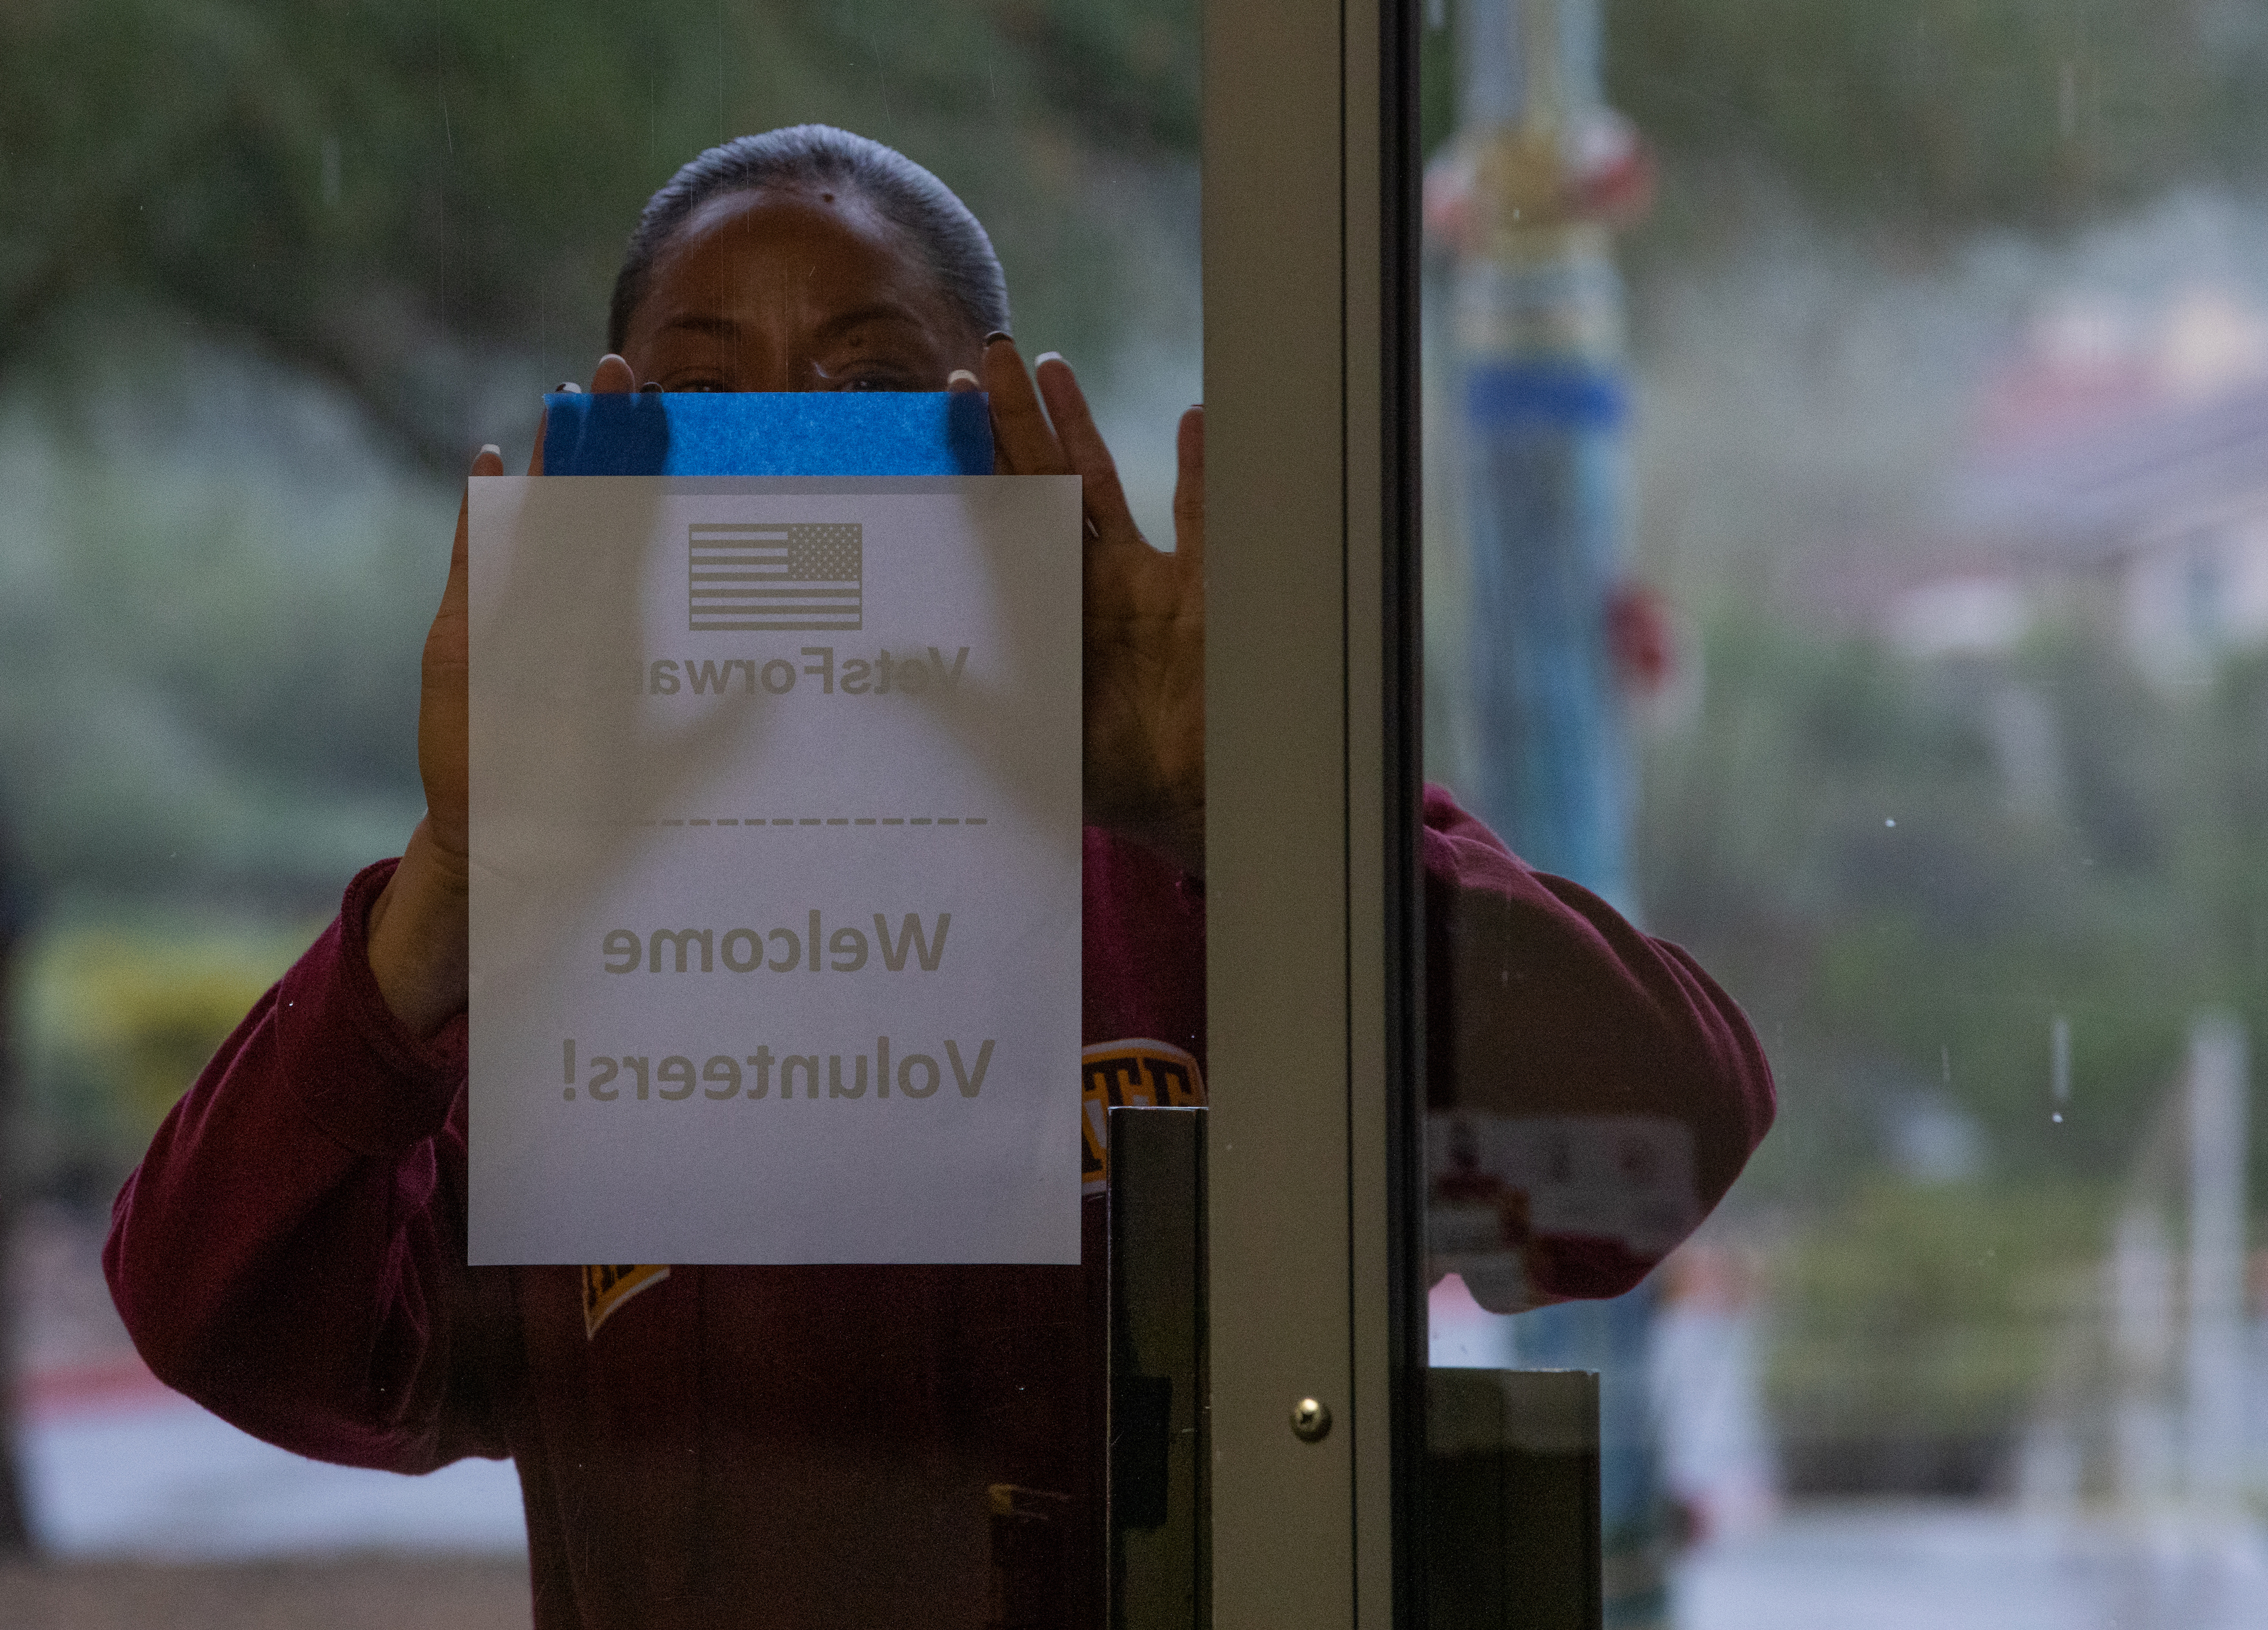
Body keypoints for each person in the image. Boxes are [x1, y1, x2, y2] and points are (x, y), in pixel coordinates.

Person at [104, 126, 1772, 1629]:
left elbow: (1657, 1148)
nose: (793, 449)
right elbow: (229, 1322)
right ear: (611, 458)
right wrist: (456, 883)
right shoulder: (556, 955)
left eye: (864, 383)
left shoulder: (1222, 847)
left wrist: (1237, 827)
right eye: (711, 393)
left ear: (993, 431)